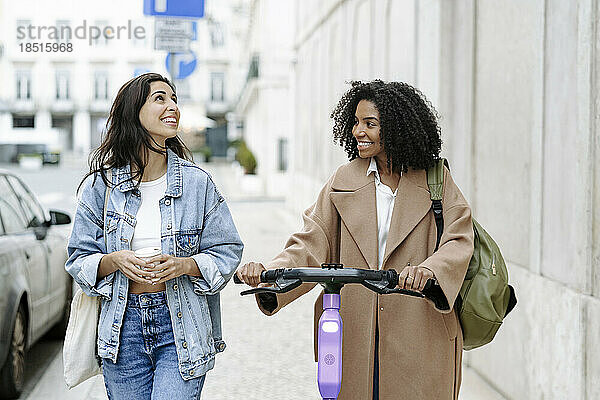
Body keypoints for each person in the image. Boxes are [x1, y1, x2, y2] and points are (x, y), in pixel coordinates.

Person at [236, 80, 474, 400]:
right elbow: (311, 240)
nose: (357, 130)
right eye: (356, 121)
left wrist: (429, 271)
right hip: (354, 331)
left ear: (397, 127)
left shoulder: (436, 179)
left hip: (419, 328)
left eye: (370, 123)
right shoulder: (343, 180)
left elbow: (458, 239)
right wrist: (272, 273)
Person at [66, 72, 243, 399]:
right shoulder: (100, 187)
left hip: (181, 325)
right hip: (122, 328)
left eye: (174, 98)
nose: (172, 105)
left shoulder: (197, 184)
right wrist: (113, 260)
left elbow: (228, 250)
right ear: (135, 111)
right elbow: (78, 258)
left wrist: (185, 265)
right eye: (160, 98)